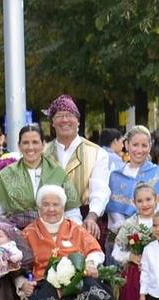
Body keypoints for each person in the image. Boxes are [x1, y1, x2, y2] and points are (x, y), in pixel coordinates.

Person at [15, 184, 126, 300]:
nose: (51, 209)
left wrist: (90, 264)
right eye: (46, 204)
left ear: (63, 207)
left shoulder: (76, 229)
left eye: (56, 204)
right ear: (39, 208)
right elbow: (18, 265)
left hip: (78, 278)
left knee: (94, 293)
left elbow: (94, 251)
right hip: (45, 281)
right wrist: (21, 283)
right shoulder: (28, 233)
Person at [45, 95, 112, 238]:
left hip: (85, 218)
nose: (64, 120)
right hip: (47, 219)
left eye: (69, 115)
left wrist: (92, 217)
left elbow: (100, 190)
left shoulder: (96, 153)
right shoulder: (42, 152)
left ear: (78, 121)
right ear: (52, 122)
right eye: (59, 116)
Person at [0, 125, 79, 228]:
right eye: (25, 143)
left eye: (35, 142)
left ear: (43, 145)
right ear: (19, 146)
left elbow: (72, 212)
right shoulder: (5, 176)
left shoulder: (58, 173)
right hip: (16, 235)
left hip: (54, 234)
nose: (30, 147)